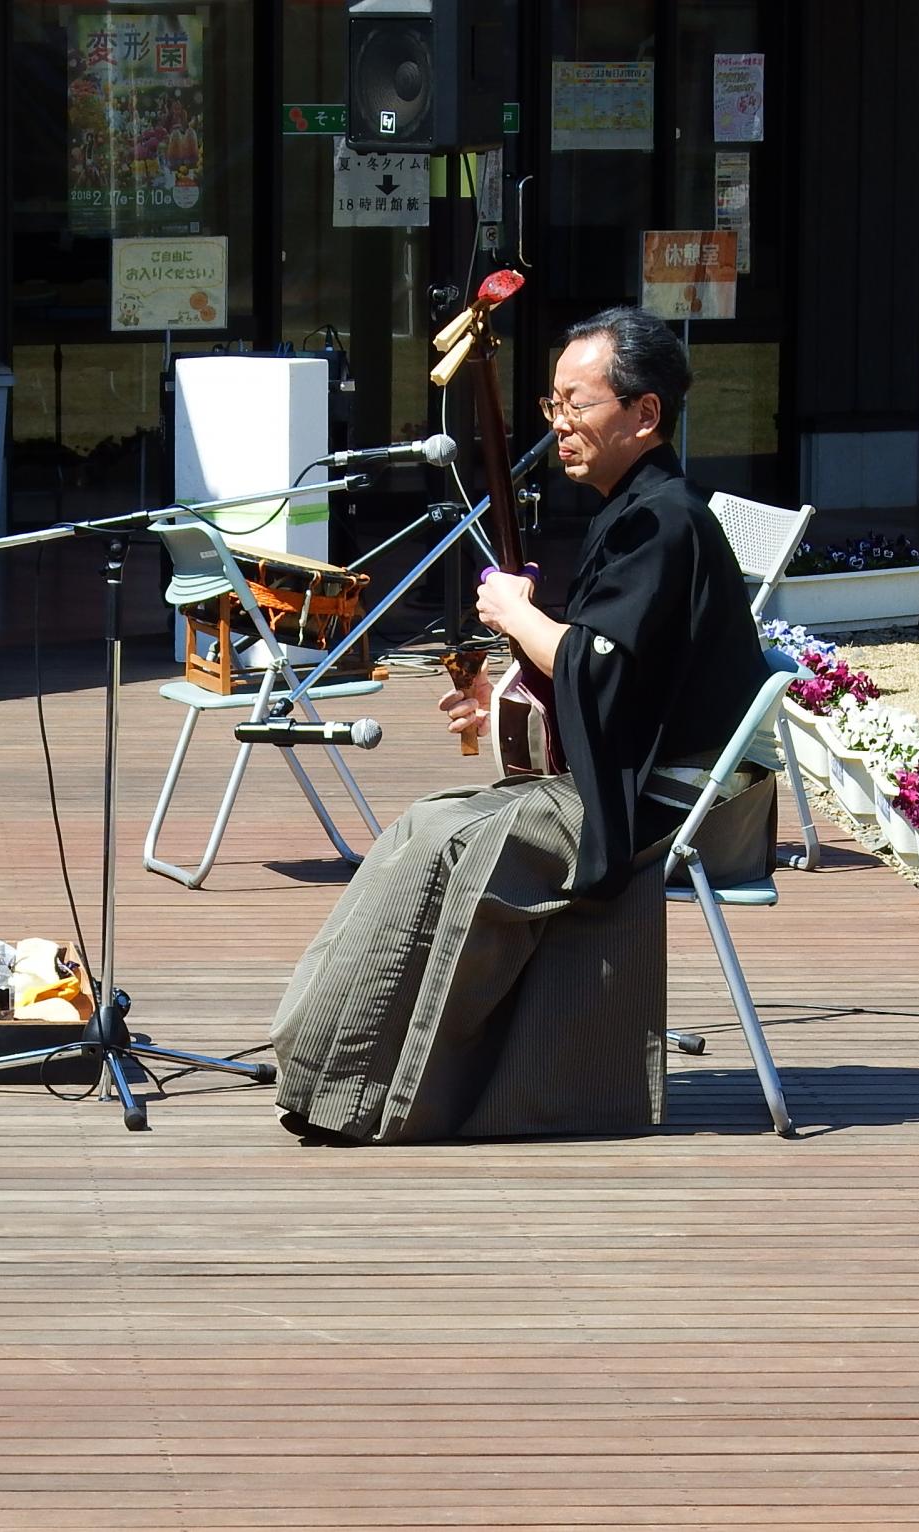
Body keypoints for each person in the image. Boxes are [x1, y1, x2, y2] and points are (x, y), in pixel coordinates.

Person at [269, 305, 771, 1145]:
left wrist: (516, 613)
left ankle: (384, 1089)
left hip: (670, 796)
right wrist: (511, 695)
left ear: (644, 415)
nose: (561, 426)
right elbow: (616, 678)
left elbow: (601, 669)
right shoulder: (637, 509)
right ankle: (334, 1070)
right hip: (637, 766)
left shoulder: (664, 520)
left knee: (460, 847)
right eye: (553, 406)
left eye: (578, 405)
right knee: (423, 823)